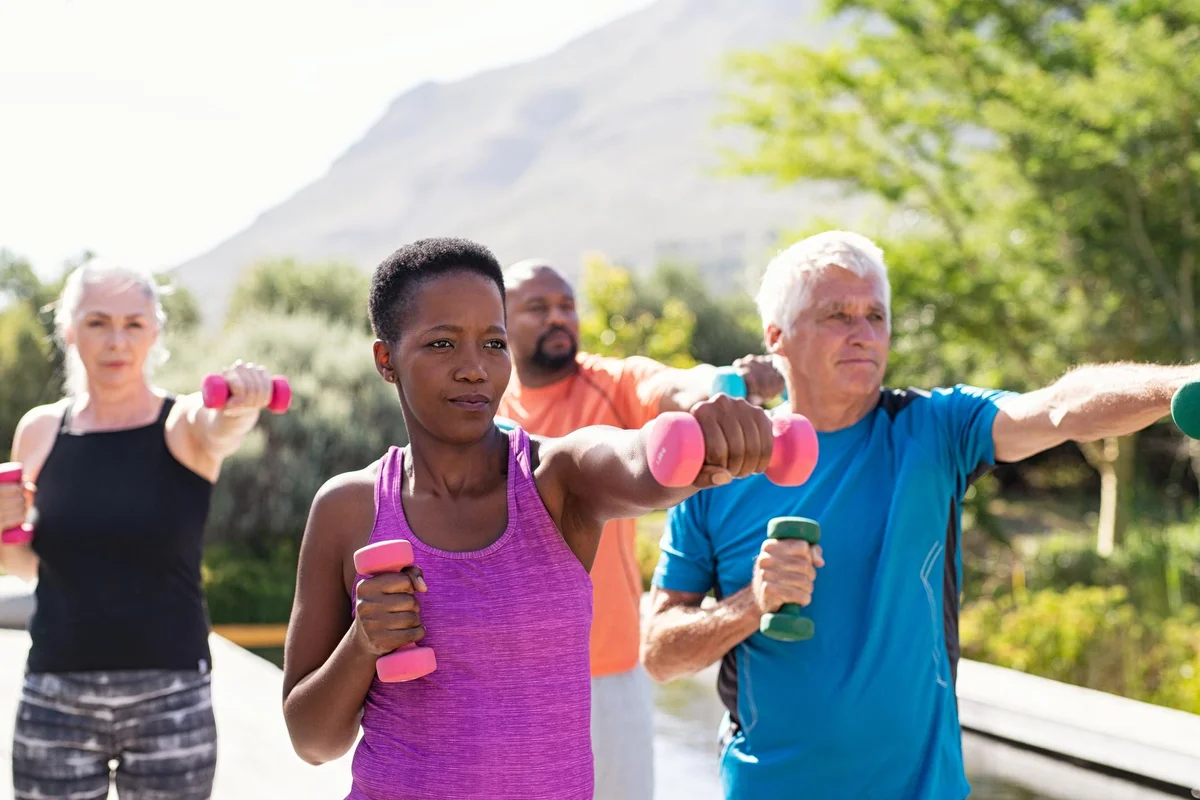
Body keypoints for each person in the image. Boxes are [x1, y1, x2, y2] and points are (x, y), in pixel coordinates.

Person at [641, 230, 1194, 799]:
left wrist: (1179, 384)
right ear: (777, 337)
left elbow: (1057, 408)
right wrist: (750, 604)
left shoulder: (934, 428)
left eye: (875, 316)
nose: (863, 335)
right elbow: (659, 653)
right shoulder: (721, 469)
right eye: (837, 315)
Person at [280, 238, 779, 800]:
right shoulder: (347, 508)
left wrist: (706, 441)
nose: (474, 369)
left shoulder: (557, 478)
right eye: (442, 343)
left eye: (493, 343)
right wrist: (363, 643)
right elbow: (312, 741)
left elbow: (639, 463)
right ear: (386, 360)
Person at [498, 258, 783, 799]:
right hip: (505, 675)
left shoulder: (613, 382)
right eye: (538, 308)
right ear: (502, 322)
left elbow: (680, 386)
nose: (558, 317)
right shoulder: (485, 404)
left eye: (566, 305)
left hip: (605, 670)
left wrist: (730, 383)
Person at [0, 260, 276, 800]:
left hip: (170, 697)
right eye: (98, 322)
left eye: (134, 324)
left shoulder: (181, 425)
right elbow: (24, 566)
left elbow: (221, 426)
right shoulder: (38, 431)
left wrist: (242, 406)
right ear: (69, 330)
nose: (116, 341)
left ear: (155, 332)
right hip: (56, 692)